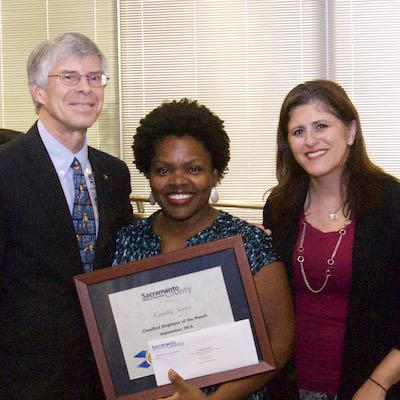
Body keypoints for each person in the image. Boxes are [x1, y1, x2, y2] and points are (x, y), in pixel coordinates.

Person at [113, 98, 294, 400]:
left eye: (194, 169)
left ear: (215, 173)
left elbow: (280, 342)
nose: (178, 181)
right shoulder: (125, 242)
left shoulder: (248, 243)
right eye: (163, 170)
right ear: (148, 174)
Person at [0, 32, 134, 399]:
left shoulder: (113, 173)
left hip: (105, 374)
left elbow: (120, 263)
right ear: (38, 90)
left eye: (95, 78)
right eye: (70, 77)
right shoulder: (6, 170)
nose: (86, 89)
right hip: (26, 380)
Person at [263, 80, 400, 400]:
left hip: (370, 386)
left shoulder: (392, 204)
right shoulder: (280, 207)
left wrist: (379, 384)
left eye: (321, 126)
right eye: (298, 132)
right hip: (291, 385)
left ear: (351, 132)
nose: (310, 141)